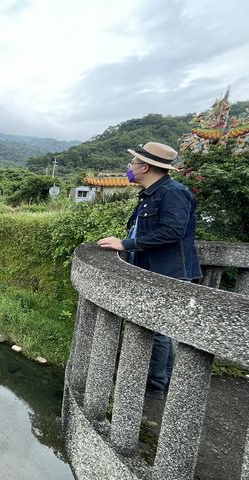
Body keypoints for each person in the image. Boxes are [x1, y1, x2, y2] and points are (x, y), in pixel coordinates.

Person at [97, 142, 202, 400]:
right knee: (158, 329)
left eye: (132, 164)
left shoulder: (172, 193)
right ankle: (161, 380)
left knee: (158, 330)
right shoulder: (151, 194)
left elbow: (172, 231)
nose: (129, 169)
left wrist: (126, 244)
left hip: (167, 272)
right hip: (150, 269)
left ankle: (154, 386)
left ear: (145, 167)